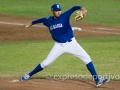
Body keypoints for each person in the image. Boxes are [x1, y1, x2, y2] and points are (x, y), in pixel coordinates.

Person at [21, 4, 109, 87]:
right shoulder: (48, 21)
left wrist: (82, 9)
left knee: (87, 58)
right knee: (46, 63)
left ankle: (97, 80)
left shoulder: (65, 15)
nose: (58, 12)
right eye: (56, 10)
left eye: (59, 10)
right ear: (53, 12)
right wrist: (31, 23)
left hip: (72, 44)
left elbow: (74, 8)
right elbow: (41, 20)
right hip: (59, 46)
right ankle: (29, 75)